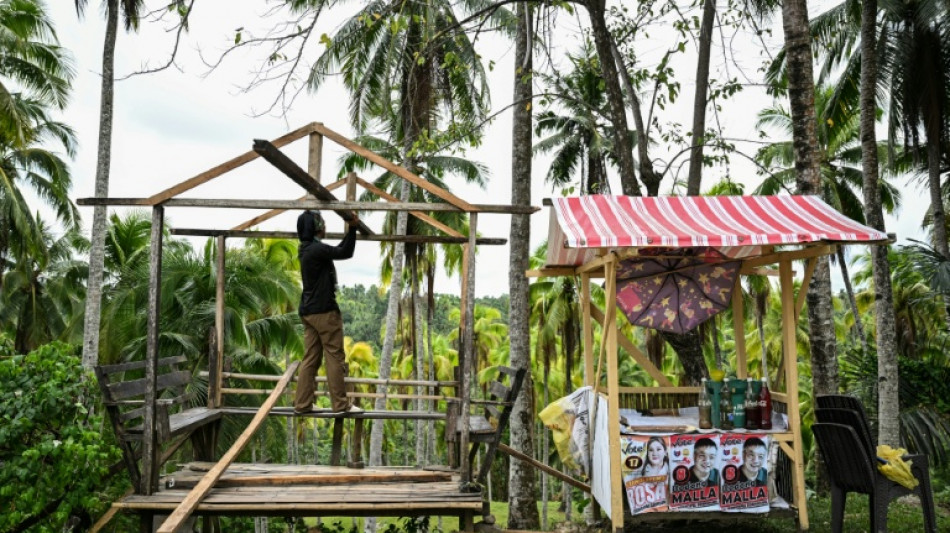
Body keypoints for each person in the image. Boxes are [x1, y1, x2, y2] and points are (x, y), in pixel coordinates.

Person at [294, 210, 363, 414]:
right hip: (324, 312)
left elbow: (338, 249)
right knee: (334, 357)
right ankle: (340, 405)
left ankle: (302, 404)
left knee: (311, 359)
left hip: (308, 312)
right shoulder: (316, 250)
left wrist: (351, 230)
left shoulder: (307, 249)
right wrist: (352, 227)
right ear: (317, 227)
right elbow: (345, 252)